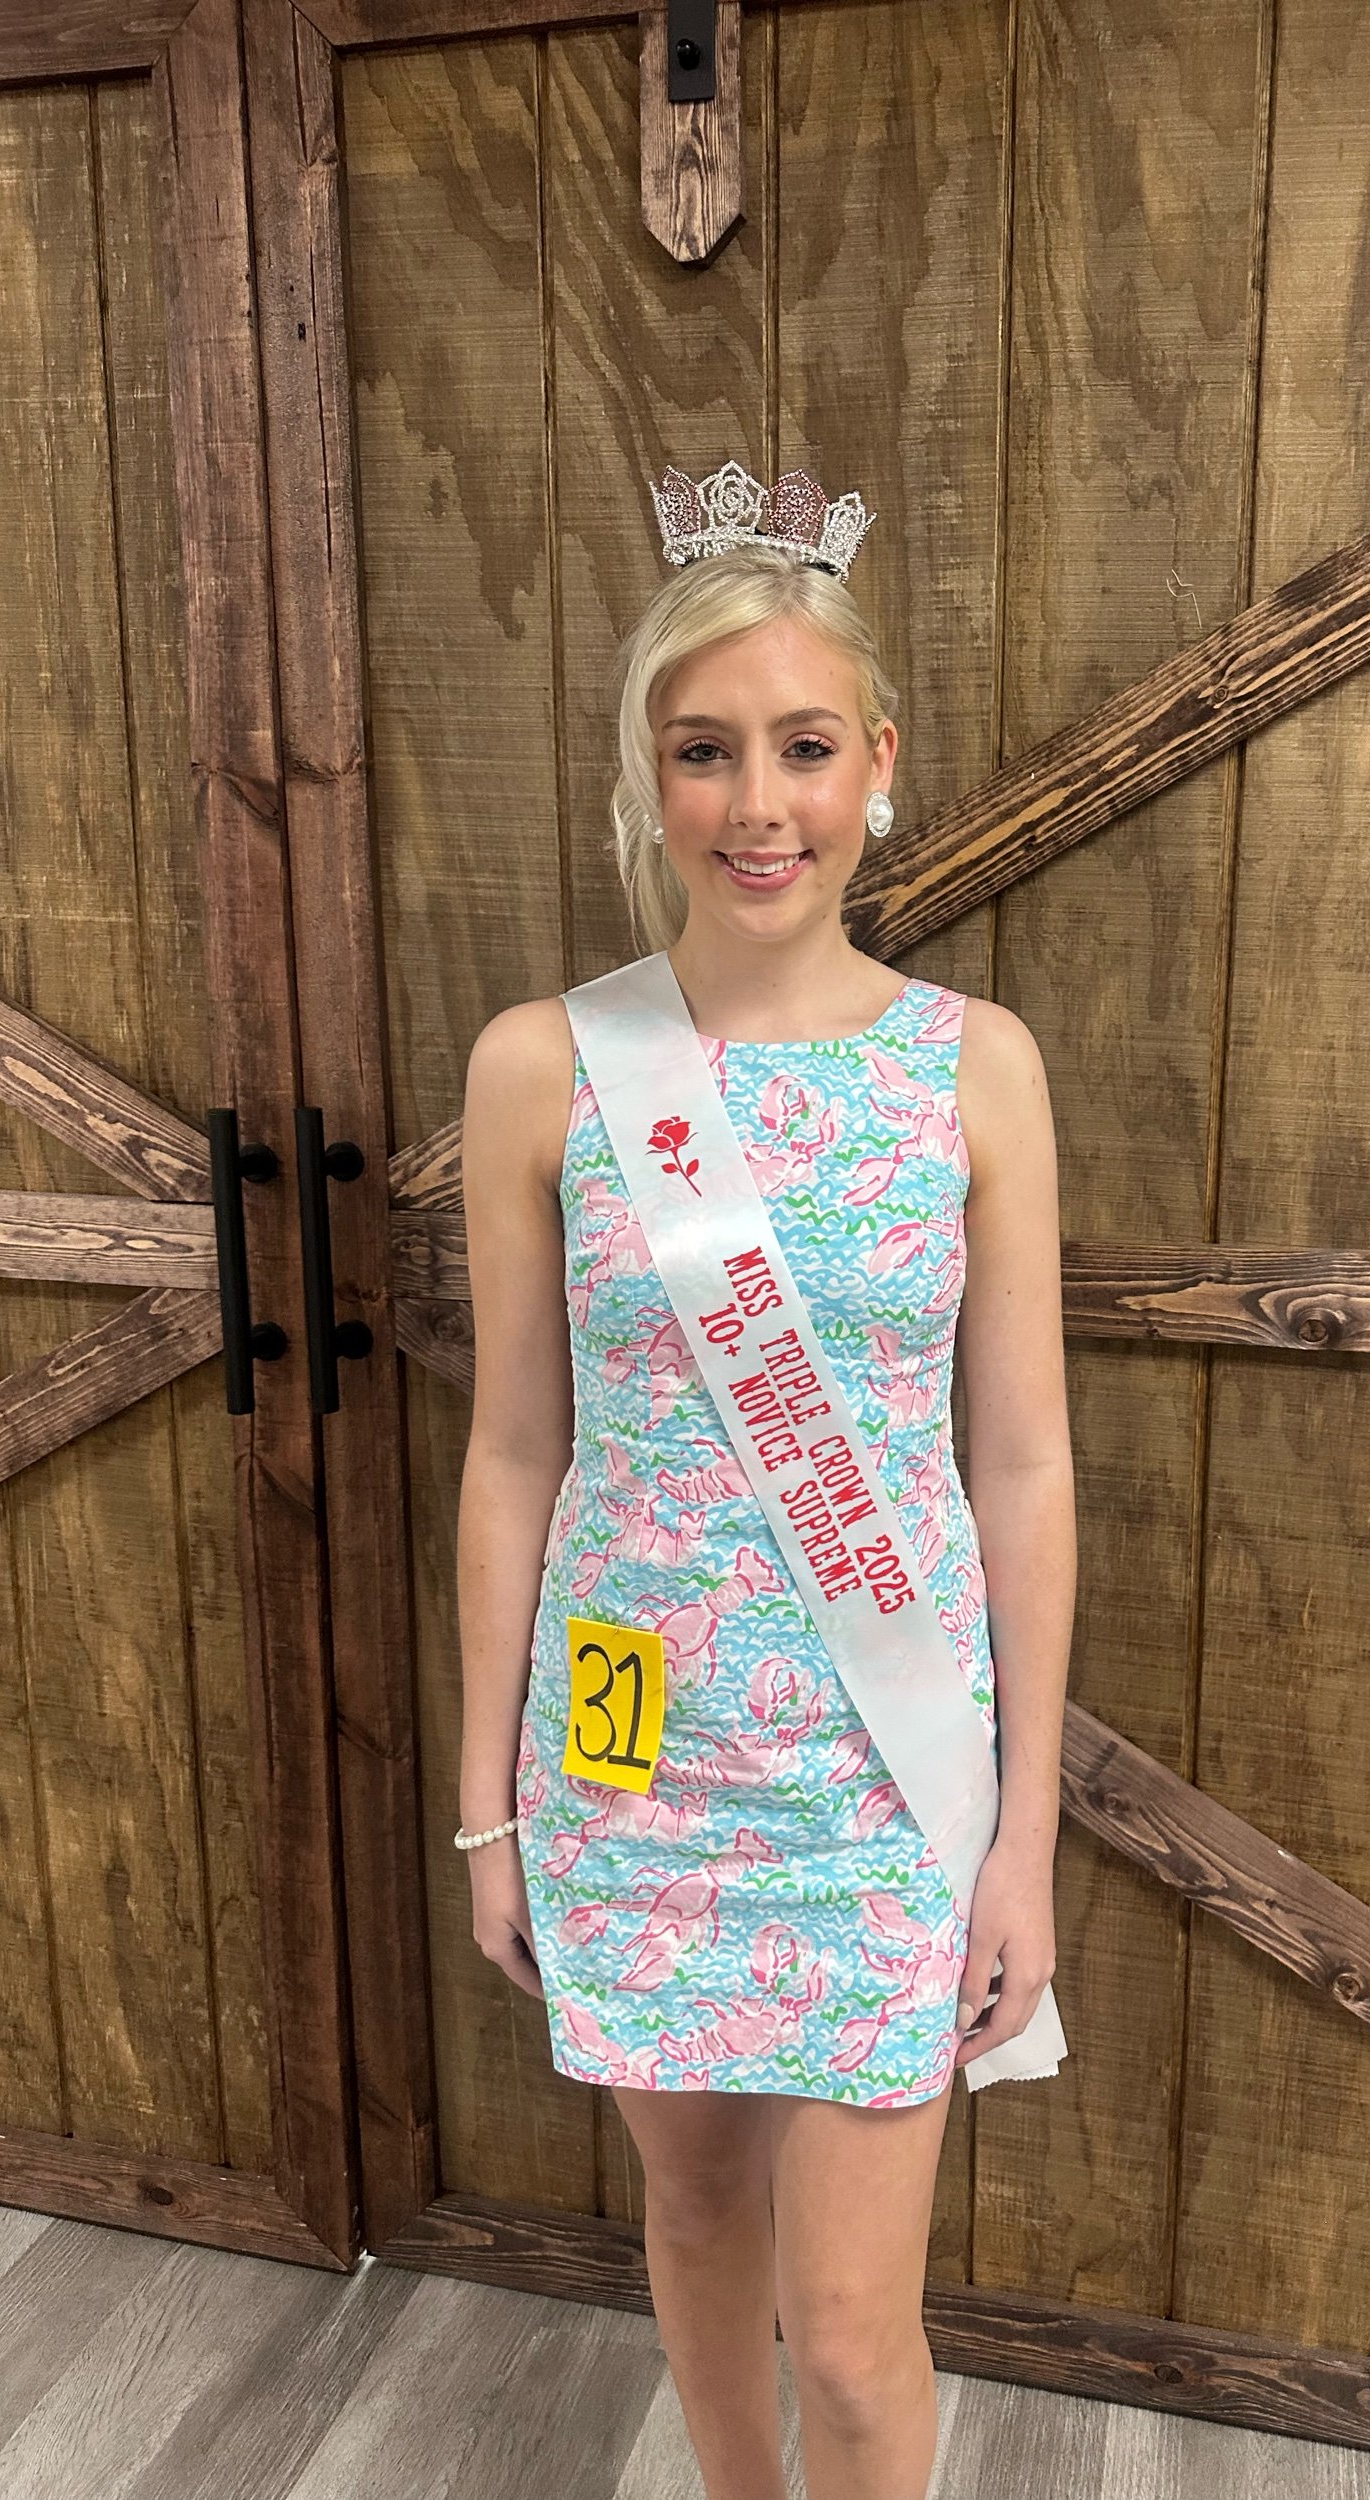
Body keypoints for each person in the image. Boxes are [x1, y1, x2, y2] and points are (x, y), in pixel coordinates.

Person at [454, 461, 1076, 2500]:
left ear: (877, 761)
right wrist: (489, 1805)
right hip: (632, 1761)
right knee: (696, 2216)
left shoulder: (974, 1067)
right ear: (648, 778)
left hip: (886, 1779)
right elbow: (515, 1452)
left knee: (859, 2339)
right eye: (703, 749)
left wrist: (1022, 1840)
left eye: (803, 746)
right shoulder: (545, 1066)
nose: (756, 802)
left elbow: (1020, 1462)